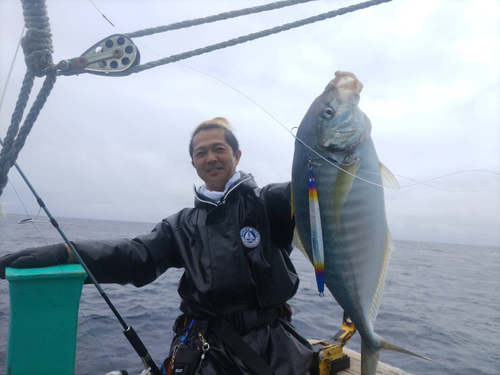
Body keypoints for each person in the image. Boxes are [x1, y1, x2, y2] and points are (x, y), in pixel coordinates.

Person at [0, 117, 313, 375]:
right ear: (193, 163)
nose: (211, 157)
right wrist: (69, 252)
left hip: (275, 348)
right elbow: (137, 256)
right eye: (201, 153)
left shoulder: (271, 202)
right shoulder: (180, 225)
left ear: (237, 156)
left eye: (219, 149)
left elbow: (319, 186)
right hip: (207, 351)